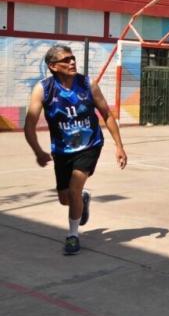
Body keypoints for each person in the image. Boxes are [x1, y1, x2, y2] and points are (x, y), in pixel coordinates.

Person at [24, 45, 127, 255]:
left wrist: (119, 146)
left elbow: (106, 114)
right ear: (53, 66)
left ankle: (72, 236)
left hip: (89, 145)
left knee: (74, 188)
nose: (72, 62)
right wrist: (38, 151)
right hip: (62, 150)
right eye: (66, 60)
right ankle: (83, 199)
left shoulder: (88, 84)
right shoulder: (43, 89)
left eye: (73, 58)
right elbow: (29, 124)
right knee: (65, 199)